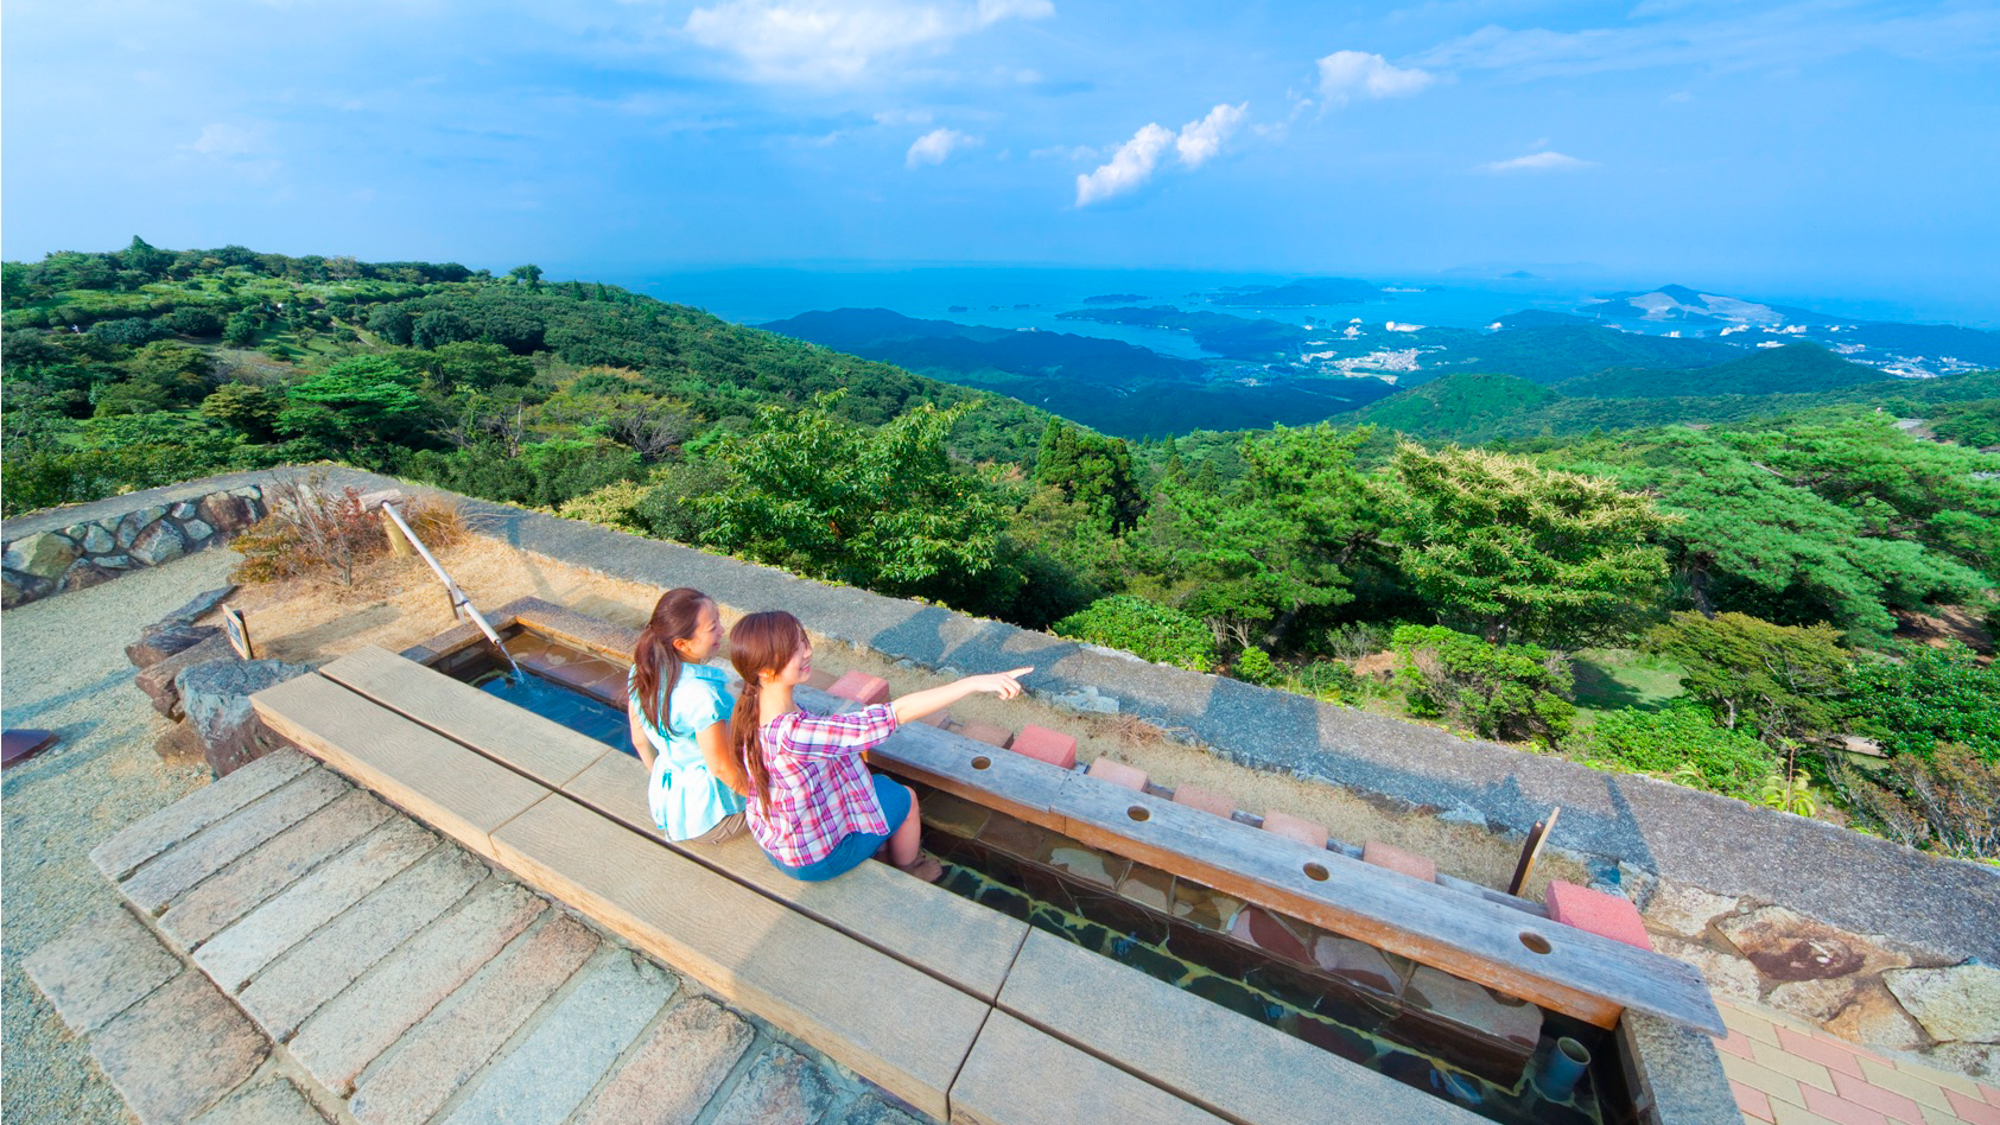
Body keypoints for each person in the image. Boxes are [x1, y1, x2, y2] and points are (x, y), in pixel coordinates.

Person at [728, 610, 1031, 883]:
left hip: (777, 840)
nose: (807, 651)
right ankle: (909, 868)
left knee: (877, 784)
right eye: (795, 648)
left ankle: (883, 846)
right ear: (765, 670)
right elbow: (894, 714)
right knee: (905, 798)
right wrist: (972, 683)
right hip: (814, 860)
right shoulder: (793, 734)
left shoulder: (753, 702)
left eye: (802, 640)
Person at [628, 588, 749, 844]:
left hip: (672, 807)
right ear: (682, 644)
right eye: (712, 627)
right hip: (714, 818)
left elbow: (640, 741)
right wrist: (767, 801)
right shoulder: (701, 697)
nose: (722, 631)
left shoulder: (643, 670)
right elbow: (721, 767)